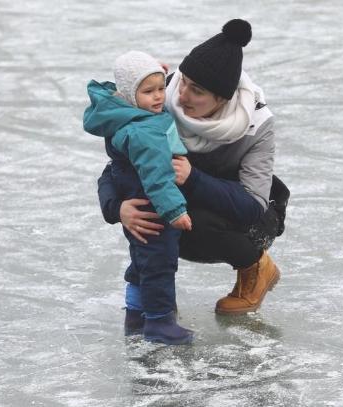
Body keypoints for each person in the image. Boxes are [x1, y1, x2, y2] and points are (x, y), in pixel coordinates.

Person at [97, 19, 290, 320]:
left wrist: (193, 178)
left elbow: (253, 206)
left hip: (247, 216)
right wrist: (117, 208)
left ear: (222, 100)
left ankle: (256, 266)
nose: (181, 95)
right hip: (183, 202)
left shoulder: (257, 125)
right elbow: (116, 168)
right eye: (183, 80)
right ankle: (156, 298)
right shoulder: (161, 97)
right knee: (148, 211)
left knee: (193, 223)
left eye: (196, 91)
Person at [83, 50, 194, 345]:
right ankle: (159, 322)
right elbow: (158, 177)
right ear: (131, 95)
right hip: (153, 210)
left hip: (137, 202)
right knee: (159, 264)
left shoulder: (127, 112)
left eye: (161, 89)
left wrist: (153, 73)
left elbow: (137, 86)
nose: (159, 97)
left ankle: (135, 315)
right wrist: (175, 211)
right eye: (149, 92)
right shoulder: (145, 131)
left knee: (141, 264)